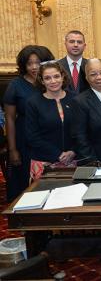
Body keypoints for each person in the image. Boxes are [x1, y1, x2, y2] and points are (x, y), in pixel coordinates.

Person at [3, 46, 55, 201]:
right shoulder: (16, 85)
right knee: (27, 181)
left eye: (38, 63)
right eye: (29, 63)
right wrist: (12, 149)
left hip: (49, 138)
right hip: (24, 140)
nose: (34, 67)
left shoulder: (52, 81)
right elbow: (10, 118)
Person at [26, 61, 76, 178]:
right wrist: (57, 154)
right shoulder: (33, 103)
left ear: (63, 77)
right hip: (44, 162)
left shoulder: (75, 99)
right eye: (47, 78)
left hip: (73, 160)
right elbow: (32, 137)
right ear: (42, 81)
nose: (53, 81)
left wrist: (73, 151)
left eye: (56, 76)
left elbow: (82, 130)